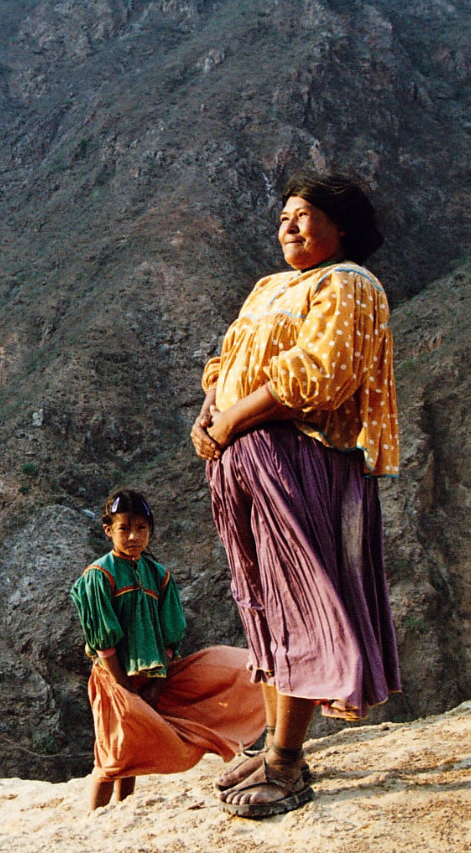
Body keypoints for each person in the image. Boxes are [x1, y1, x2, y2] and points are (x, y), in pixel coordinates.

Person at [192, 171, 401, 818]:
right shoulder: (270, 288)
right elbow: (228, 363)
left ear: (343, 227)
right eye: (284, 216)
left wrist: (231, 420)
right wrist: (209, 413)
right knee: (263, 604)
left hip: (300, 460)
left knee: (300, 604)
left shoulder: (350, 284)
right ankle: (277, 747)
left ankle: (285, 762)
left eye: (304, 215)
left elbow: (320, 375)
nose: (288, 226)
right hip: (244, 458)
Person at [69, 488, 265, 810]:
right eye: (124, 528)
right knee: (111, 754)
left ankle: (123, 810)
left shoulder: (159, 576)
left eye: (141, 528)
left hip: (155, 676)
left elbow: (170, 634)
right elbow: (104, 643)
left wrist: (157, 684)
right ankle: (96, 818)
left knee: (133, 749)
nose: (133, 536)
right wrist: (126, 689)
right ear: (108, 530)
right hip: (113, 678)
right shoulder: (99, 576)